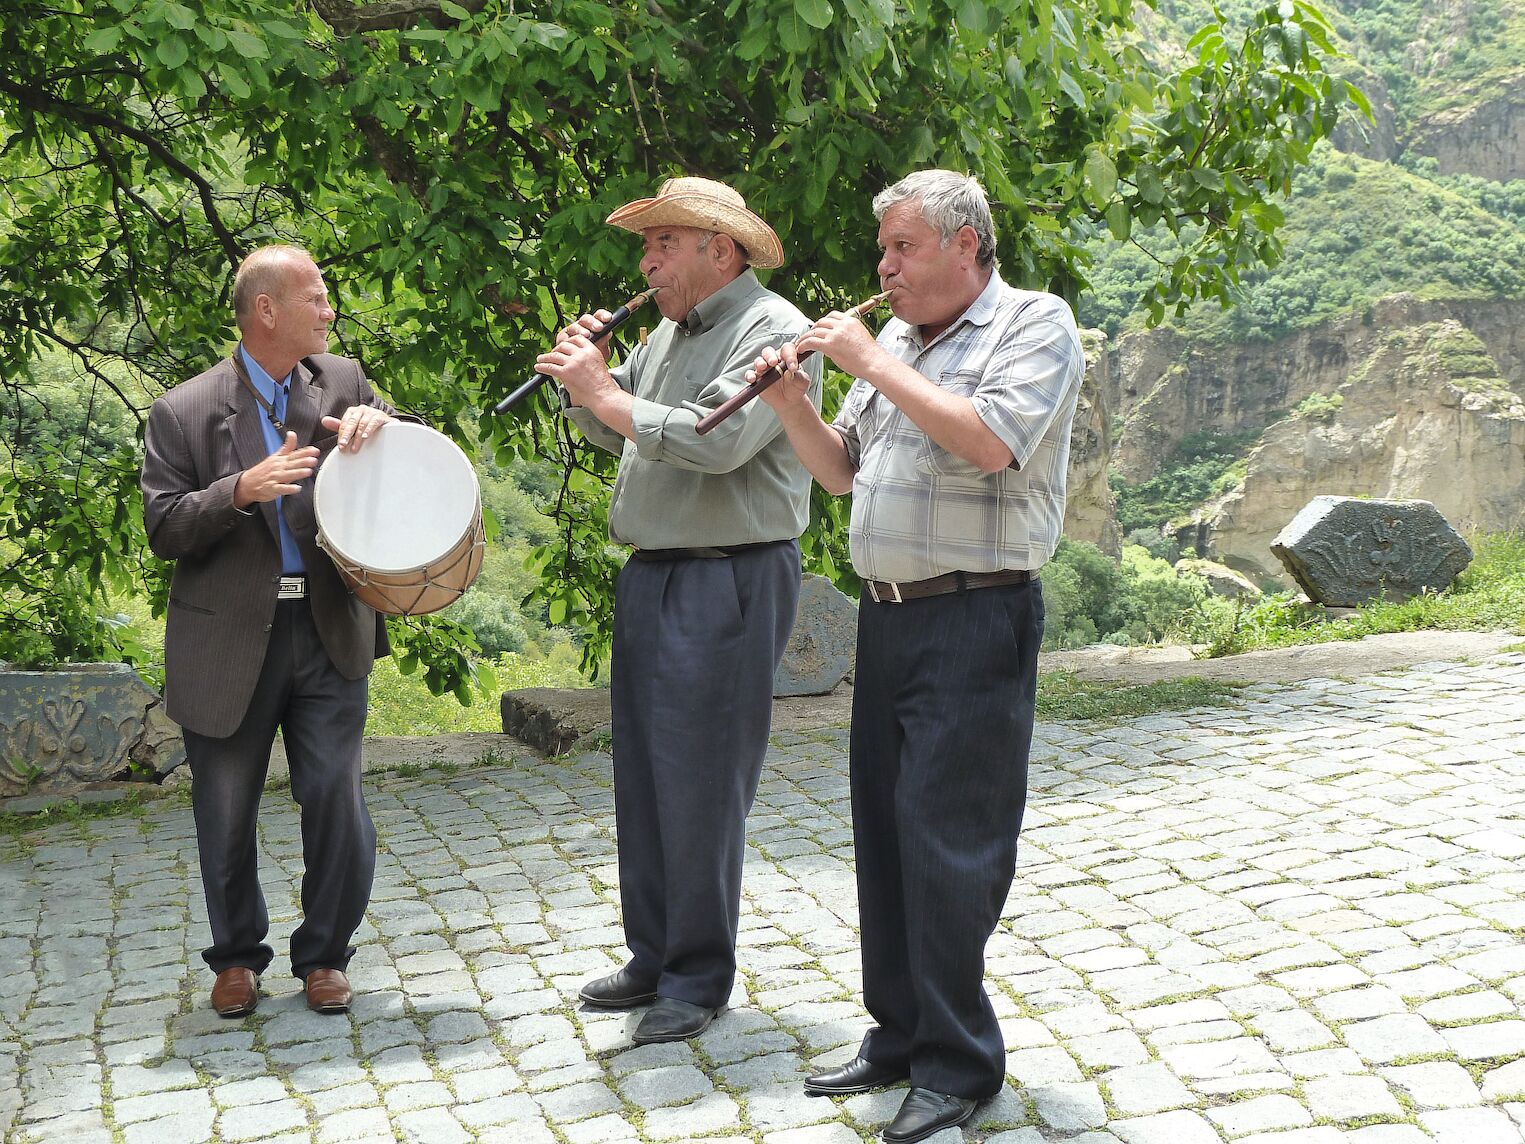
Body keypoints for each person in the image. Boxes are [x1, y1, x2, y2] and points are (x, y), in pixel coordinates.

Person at [746, 170, 1085, 1143]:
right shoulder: (895, 338)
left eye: (900, 248)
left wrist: (865, 358)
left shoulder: (1033, 326)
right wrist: (791, 400)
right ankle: (897, 1032)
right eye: (882, 249)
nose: (882, 267)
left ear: (965, 246)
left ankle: (958, 1063)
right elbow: (842, 473)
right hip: (887, 620)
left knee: (948, 840)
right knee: (887, 833)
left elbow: (988, 442)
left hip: (976, 616)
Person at [533, 176, 822, 1044]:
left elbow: (717, 438)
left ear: (719, 251)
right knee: (648, 774)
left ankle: (697, 976)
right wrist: (576, 383)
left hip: (728, 572)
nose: (648, 260)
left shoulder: (773, 330)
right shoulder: (665, 330)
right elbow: (610, 422)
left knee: (701, 778)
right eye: (647, 246)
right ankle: (654, 951)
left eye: (664, 244)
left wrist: (606, 393)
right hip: (655, 570)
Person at [141, 244, 394, 1018]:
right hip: (226, 639)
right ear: (266, 312)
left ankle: (325, 955)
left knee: (336, 800)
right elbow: (163, 526)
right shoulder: (183, 409)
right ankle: (236, 961)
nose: (329, 310)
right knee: (223, 808)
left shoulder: (343, 381)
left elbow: (404, 440)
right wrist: (239, 491)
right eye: (315, 298)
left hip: (328, 628)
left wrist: (383, 422)